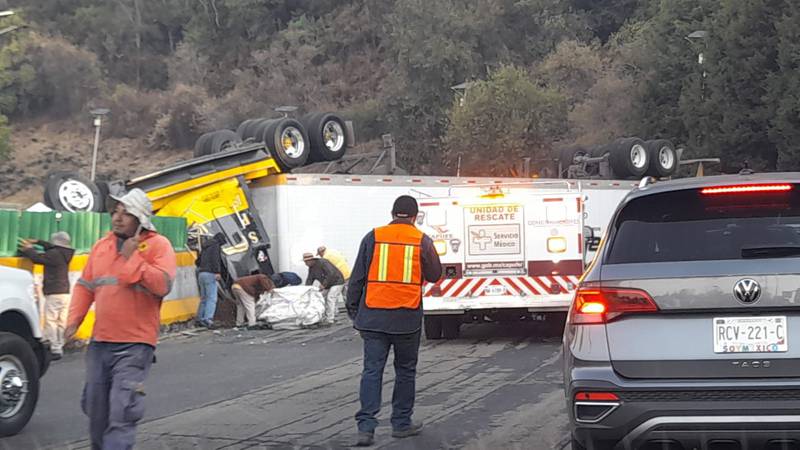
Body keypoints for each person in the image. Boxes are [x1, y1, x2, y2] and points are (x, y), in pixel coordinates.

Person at [65, 188, 176, 450]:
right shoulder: (101, 247)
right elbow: (85, 286)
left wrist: (133, 257)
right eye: (115, 211)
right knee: (96, 410)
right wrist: (73, 321)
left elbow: (163, 285)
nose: (118, 217)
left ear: (140, 219)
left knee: (122, 411)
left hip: (135, 346)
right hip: (100, 343)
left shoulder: (158, 246)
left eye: (126, 213)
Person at [346, 195, 442, 446]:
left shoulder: (372, 237)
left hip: (373, 317)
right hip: (406, 319)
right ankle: (401, 423)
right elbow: (434, 275)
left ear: (392, 213)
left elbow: (357, 277)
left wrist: (355, 312)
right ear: (414, 216)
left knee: (372, 371)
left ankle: (366, 428)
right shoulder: (421, 240)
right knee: (405, 372)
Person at [19, 231, 75, 360]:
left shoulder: (54, 254)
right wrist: (38, 241)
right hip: (65, 291)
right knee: (61, 321)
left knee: (51, 320)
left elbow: (37, 258)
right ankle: (60, 345)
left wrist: (29, 249)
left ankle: (54, 349)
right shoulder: (65, 253)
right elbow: (50, 247)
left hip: (54, 291)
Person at [303, 253, 345, 325]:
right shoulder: (311, 268)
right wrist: (306, 290)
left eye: (306, 262)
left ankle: (330, 319)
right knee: (321, 298)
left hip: (337, 281)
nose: (305, 263)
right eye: (305, 262)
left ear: (312, 260)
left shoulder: (323, 262)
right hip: (328, 284)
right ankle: (327, 316)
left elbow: (331, 273)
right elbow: (309, 279)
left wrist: (323, 284)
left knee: (330, 297)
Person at [195, 233, 224, 328]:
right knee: (212, 298)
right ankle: (208, 319)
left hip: (201, 274)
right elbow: (215, 259)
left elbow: (197, 261)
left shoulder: (205, 246)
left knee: (204, 298)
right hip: (210, 274)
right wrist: (217, 271)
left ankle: (199, 319)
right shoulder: (215, 245)